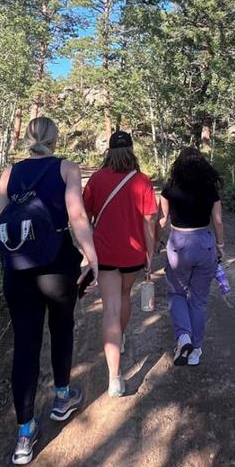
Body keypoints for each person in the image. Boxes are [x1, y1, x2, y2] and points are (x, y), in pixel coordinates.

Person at [0, 116, 99, 465]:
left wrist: (9, 268)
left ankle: (24, 434)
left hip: (18, 270)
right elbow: (78, 217)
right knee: (62, 329)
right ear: (56, 139)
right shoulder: (67, 168)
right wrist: (92, 258)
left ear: (28, 138)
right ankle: (61, 396)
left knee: (25, 345)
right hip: (57, 265)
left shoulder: (9, 174)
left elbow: (0, 224)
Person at [83, 131, 158, 397]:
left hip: (104, 253)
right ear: (131, 150)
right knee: (125, 296)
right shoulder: (142, 181)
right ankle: (120, 338)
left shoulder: (96, 179)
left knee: (110, 310)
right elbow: (150, 221)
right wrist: (150, 253)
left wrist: (86, 248)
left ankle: (115, 378)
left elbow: (85, 214)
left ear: (110, 152)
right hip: (133, 253)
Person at [158, 147, 225, 367]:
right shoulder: (210, 189)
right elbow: (218, 221)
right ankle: (195, 351)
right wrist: (220, 246)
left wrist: (156, 241)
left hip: (179, 244)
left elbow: (162, 220)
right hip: (205, 244)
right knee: (199, 300)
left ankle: (183, 337)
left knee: (177, 293)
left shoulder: (169, 189)